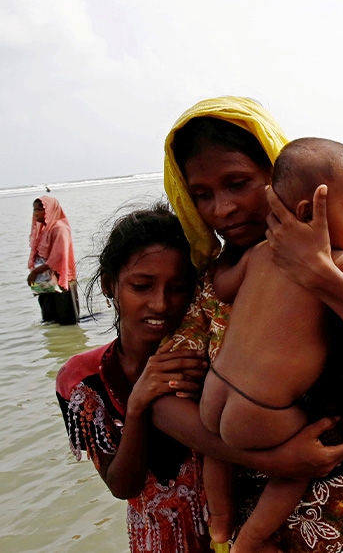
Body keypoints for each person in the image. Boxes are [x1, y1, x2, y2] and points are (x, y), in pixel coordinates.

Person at [155, 96, 343, 552]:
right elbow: (163, 401)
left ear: (278, 180)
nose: (223, 208)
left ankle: (225, 534)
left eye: (238, 183)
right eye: (202, 195)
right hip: (261, 514)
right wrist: (278, 459)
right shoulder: (208, 278)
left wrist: (323, 276)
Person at [56, 205, 208, 552]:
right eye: (142, 286)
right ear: (109, 285)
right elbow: (123, 486)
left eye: (178, 288)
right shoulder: (82, 381)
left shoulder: (210, 359)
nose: (160, 303)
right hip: (155, 541)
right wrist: (138, 405)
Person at [27, 196, 79, 324]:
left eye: (40, 209)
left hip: (61, 280)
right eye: (35, 209)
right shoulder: (44, 230)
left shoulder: (60, 229)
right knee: (49, 321)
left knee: (67, 321)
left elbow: (58, 257)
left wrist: (35, 272)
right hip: (46, 281)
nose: (36, 213)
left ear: (50, 210)